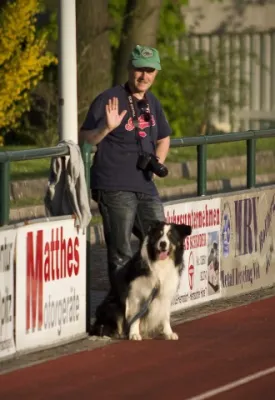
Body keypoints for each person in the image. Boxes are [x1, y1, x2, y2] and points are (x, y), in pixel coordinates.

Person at [79, 44, 172, 291]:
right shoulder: (109, 99)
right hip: (114, 185)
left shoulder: (153, 102)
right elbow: (85, 140)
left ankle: (148, 300)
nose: (144, 76)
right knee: (120, 250)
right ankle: (123, 310)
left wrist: (158, 162)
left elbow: (164, 137)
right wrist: (106, 128)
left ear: (156, 73)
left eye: (150, 71)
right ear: (130, 69)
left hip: (145, 184)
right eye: (139, 70)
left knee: (161, 241)